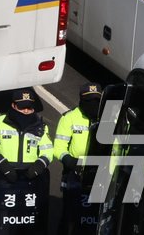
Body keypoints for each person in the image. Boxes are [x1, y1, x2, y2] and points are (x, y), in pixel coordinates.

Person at [0, 89, 52, 234]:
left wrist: (39, 165)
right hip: (6, 175)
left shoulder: (40, 125)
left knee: (28, 217)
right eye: (22, 107)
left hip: (31, 178)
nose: (26, 111)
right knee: (4, 217)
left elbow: (47, 150)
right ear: (13, 105)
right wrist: (2, 164)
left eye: (29, 107)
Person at [54, 83, 104, 235]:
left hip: (101, 175)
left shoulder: (110, 120)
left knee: (98, 217)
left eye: (97, 101)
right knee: (70, 216)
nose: (93, 105)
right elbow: (58, 147)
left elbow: (116, 149)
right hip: (75, 174)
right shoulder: (69, 118)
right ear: (81, 100)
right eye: (89, 101)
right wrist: (71, 162)